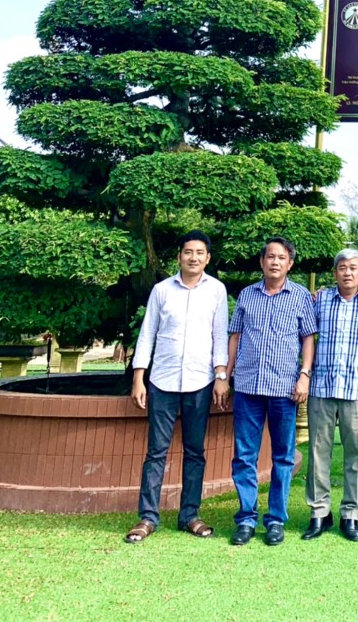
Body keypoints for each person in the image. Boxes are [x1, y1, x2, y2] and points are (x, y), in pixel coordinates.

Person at [124, 230, 229, 543]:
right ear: (179, 256)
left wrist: (221, 376)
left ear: (207, 258)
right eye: (188, 252)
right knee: (156, 452)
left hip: (200, 381)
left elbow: (220, 335)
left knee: (195, 452)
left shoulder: (217, 290)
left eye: (199, 253)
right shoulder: (162, 290)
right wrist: (139, 377)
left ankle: (190, 515)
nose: (193, 258)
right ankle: (147, 517)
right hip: (162, 381)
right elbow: (147, 334)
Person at [227, 237, 316, 547]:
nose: (275, 262)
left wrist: (304, 375)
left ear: (290, 263)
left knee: (283, 456)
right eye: (270, 257)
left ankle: (276, 519)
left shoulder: (300, 296)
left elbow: (308, 338)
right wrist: (225, 375)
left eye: (281, 257)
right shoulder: (247, 295)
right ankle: (246, 519)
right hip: (248, 386)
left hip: (284, 388)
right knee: (244, 456)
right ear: (262, 262)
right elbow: (235, 336)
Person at [303, 248, 358, 543]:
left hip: (356, 388)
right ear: (335, 272)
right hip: (322, 386)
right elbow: (305, 332)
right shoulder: (321, 299)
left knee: (356, 452)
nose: (348, 272)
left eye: (353, 268)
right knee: (318, 451)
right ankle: (319, 512)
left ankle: (351, 514)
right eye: (342, 267)